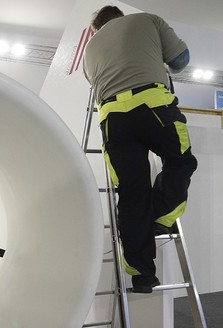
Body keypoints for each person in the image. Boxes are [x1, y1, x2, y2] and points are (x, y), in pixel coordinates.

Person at [83, 6, 198, 293]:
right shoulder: (148, 19)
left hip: (112, 119)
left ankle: (142, 276)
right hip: (153, 105)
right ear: (121, 16)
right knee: (180, 161)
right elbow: (180, 60)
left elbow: (94, 81)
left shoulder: (89, 48)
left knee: (132, 194)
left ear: (97, 29)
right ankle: (161, 216)